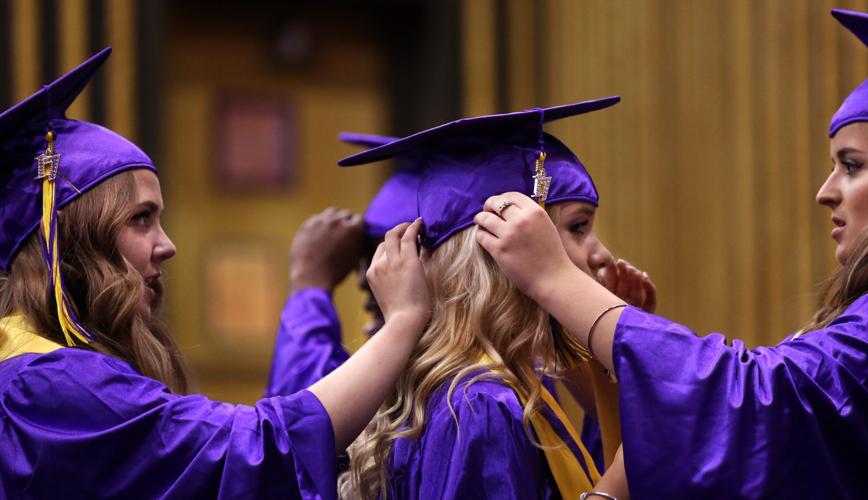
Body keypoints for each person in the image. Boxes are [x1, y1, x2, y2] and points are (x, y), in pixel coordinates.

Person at [474, 10, 868, 498]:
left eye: (851, 165)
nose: (826, 191)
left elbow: (752, 406)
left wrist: (557, 281)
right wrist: (601, 358)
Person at [0, 48, 430, 498]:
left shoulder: (28, 365)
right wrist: (402, 321)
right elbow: (254, 450)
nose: (168, 245)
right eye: (141, 218)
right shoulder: (45, 384)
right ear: (72, 237)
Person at [336, 97, 656, 499]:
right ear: (500, 253)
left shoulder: (495, 389)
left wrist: (612, 347)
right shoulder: (479, 406)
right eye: (578, 227)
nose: (602, 254)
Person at [265, 132, 417, 398]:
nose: (365, 277)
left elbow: (307, 428)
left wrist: (309, 285)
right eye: (365, 255)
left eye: (391, 249)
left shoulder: (474, 399)